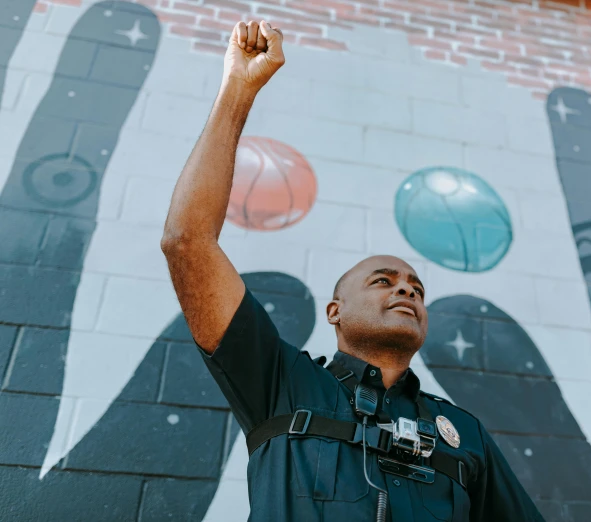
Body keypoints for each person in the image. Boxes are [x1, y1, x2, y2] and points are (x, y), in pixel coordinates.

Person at [160, 18, 545, 522]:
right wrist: (239, 87)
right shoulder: (281, 383)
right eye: (384, 280)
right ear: (335, 311)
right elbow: (187, 241)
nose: (406, 290)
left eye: (417, 288)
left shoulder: (461, 430)